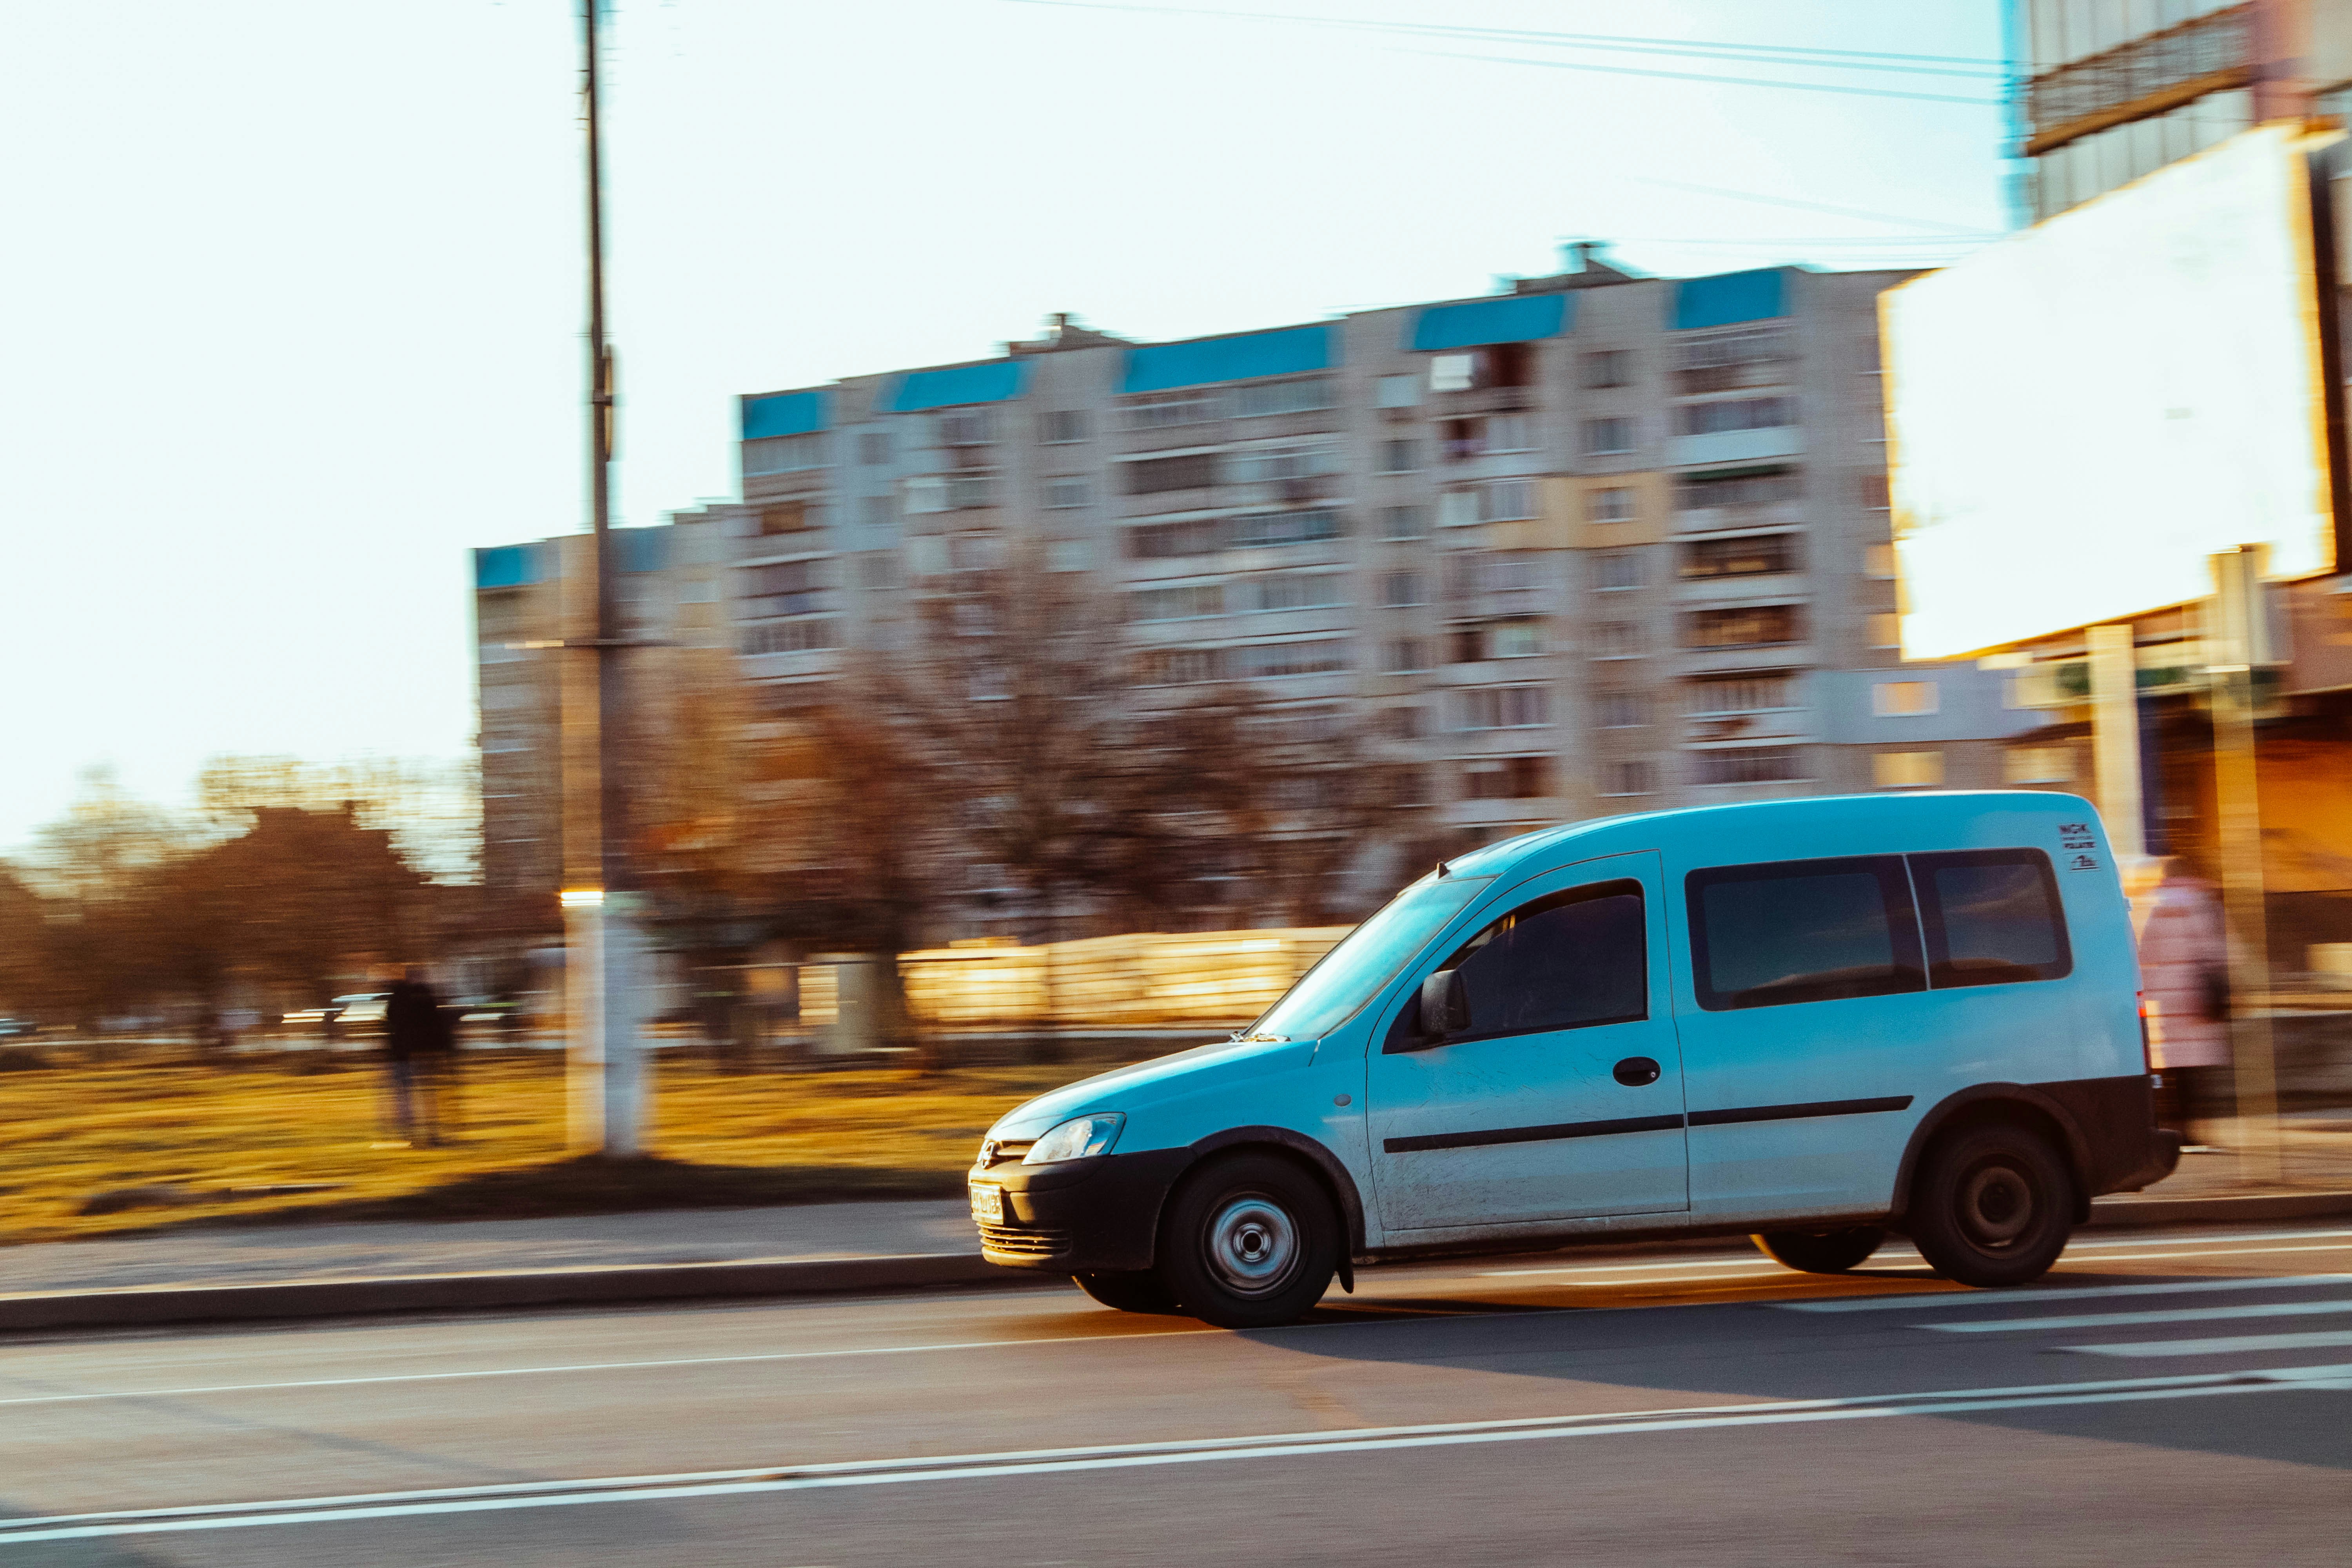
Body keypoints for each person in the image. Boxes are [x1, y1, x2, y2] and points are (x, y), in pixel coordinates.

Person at [2133, 859, 2232, 1148]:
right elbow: (2217, 948)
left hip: (2164, 998)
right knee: (2195, 1073)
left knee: (2168, 1072)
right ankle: (2194, 1129)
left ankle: (2172, 1129)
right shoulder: (2203, 905)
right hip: (2196, 997)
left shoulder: (2150, 906)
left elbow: (2143, 951)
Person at [381, 965, 449, 1148]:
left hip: (404, 1054)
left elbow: (390, 1020)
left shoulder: (399, 997)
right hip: (423, 1052)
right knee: (425, 1096)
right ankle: (432, 1134)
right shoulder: (424, 995)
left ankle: (411, 1135)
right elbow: (436, 1021)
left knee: (406, 1096)